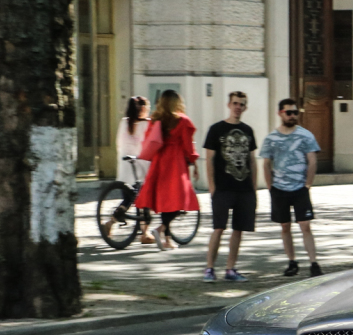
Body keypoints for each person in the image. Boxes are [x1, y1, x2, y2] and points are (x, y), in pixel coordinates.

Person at [260, 98, 322, 277]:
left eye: (295, 112)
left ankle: (314, 263)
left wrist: (307, 185)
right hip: (279, 189)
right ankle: (292, 262)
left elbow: (312, 161)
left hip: (300, 189)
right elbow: (266, 163)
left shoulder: (306, 136)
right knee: (285, 226)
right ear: (280, 113)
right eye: (289, 112)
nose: (293, 116)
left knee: (305, 225)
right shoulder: (271, 138)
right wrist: (270, 187)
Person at [133, 90, 200, 250]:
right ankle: (160, 229)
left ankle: (167, 241)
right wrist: (193, 161)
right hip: (176, 163)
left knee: (166, 201)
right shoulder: (183, 121)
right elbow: (188, 146)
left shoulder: (156, 120)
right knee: (180, 200)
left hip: (160, 162)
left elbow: (148, 141)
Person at [202, 91, 258, 281]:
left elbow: (252, 160)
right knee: (218, 228)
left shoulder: (248, 130)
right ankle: (209, 268)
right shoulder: (216, 129)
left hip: (244, 189)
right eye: (235, 103)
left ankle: (230, 269)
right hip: (223, 188)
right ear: (229, 105)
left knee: (238, 229)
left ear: (245, 107)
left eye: (242, 104)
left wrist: (254, 187)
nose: (238, 107)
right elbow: (209, 159)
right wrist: (212, 187)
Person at [103, 95, 154, 244]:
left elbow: (119, 144)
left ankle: (111, 223)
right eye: (147, 108)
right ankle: (144, 233)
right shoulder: (147, 124)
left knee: (128, 199)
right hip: (140, 166)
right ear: (143, 109)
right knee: (144, 198)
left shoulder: (124, 122)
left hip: (124, 168)